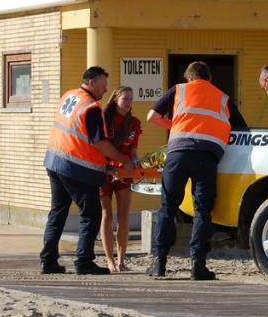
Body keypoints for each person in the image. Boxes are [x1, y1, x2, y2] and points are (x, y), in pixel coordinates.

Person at [146, 61, 244, 280]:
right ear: (209, 78)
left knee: (168, 207)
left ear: (188, 77)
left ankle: (159, 263)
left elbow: (151, 116)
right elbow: (241, 130)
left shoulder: (179, 90)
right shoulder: (223, 97)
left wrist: (178, 124)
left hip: (178, 153)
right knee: (202, 210)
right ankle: (197, 266)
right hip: (207, 157)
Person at [40, 66, 133, 276]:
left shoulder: (69, 96)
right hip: (76, 168)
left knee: (57, 212)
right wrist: (123, 160)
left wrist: (106, 167)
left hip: (55, 160)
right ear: (91, 82)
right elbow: (99, 142)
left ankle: (48, 260)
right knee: (91, 214)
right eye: (102, 85)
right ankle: (84, 261)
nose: (105, 89)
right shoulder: (90, 107)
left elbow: (76, 135)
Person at [100, 86, 142, 273]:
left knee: (124, 217)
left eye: (131, 99)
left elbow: (133, 151)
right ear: (116, 99)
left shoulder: (134, 123)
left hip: (124, 172)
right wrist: (110, 168)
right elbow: (98, 146)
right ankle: (109, 260)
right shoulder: (103, 118)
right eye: (125, 98)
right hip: (105, 170)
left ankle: (122, 260)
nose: (128, 102)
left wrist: (137, 163)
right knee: (106, 214)